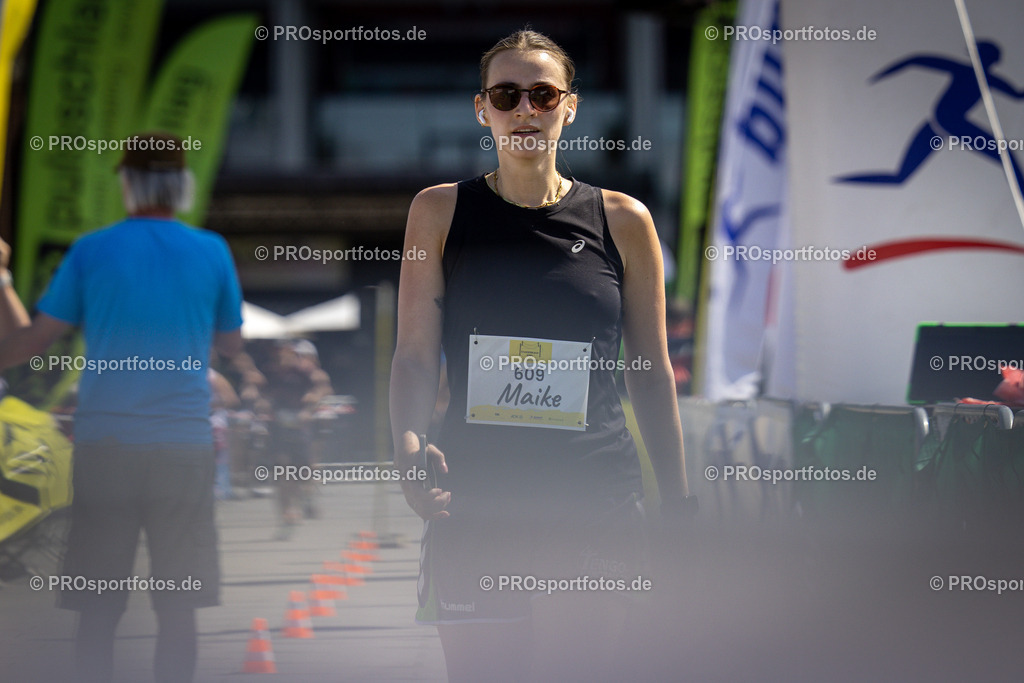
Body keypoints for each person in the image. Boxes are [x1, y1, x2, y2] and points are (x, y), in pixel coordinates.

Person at [390, 30, 695, 682]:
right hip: (474, 499)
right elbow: (415, 355)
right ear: (483, 109)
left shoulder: (624, 219)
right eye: (507, 94)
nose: (525, 110)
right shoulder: (439, 212)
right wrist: (408, 443)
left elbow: (651, 372)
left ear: (570, 106)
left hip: (592, 497)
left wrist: (679, 503)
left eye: (543, 93)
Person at [0, 131, 244, 683]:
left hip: (105, 447)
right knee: (177, 603)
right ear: (181, 185)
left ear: (127, 183)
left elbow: (35, 340)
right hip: (183, 446)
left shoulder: (92, 249)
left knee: (97, 603)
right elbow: (231, 344)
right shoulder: (211, 249)